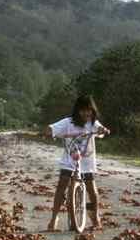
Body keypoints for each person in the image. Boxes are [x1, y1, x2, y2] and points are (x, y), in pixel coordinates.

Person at [44, 95, 110, 231]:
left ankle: (95, 217)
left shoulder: (92, 123)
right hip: (70, 160)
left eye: (89, 110)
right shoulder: (68, 123)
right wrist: (48, 132)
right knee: (62, 183)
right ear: (77, 110)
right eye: (83, 110)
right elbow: (52, 128)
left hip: (87, 161)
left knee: (91, 188)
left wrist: (102, 130)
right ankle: (54, 218)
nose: (86, 113)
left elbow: (100, 130)